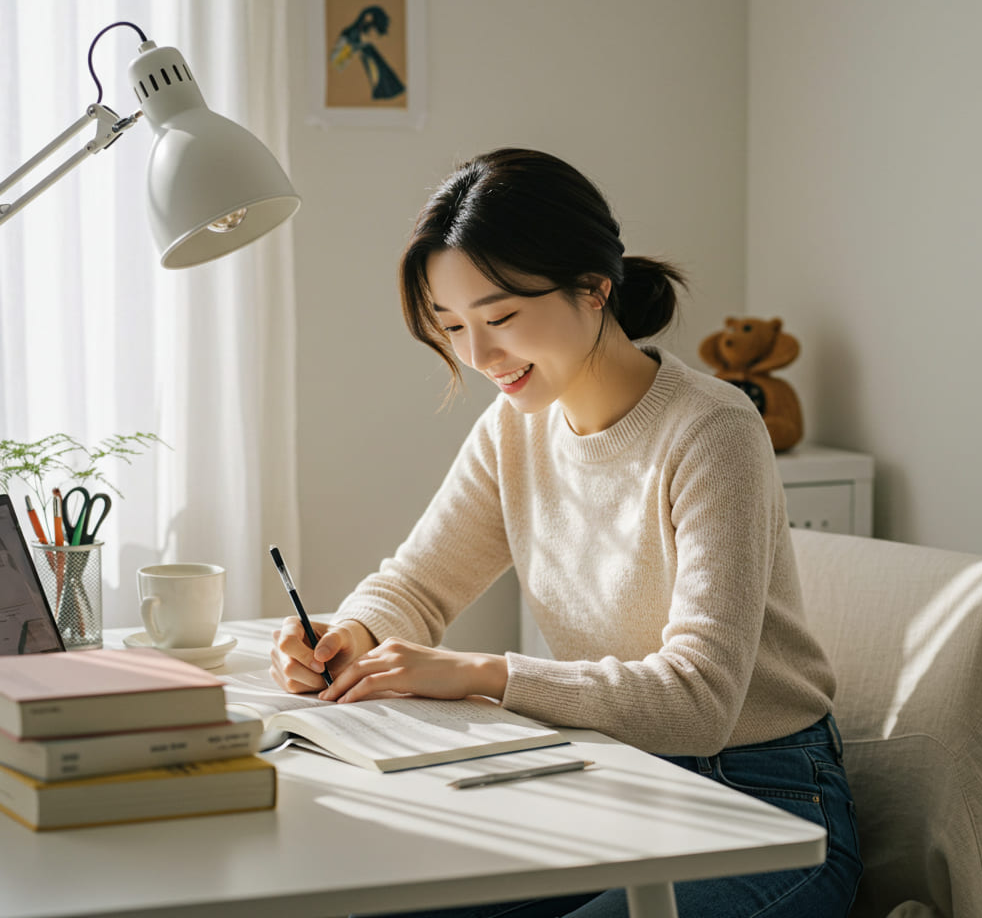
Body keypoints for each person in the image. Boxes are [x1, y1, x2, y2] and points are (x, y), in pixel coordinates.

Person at [270, 148, 863, 917]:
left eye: (500, 318)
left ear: (593, 287)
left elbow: (700, 702)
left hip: (766, 800)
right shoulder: (513, 431)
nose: (479, 356)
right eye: (452, 326)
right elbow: (418, 585)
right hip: (615, 783)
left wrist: (480, 673)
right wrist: (351, 633)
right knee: (370, 901)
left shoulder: (712, 430)